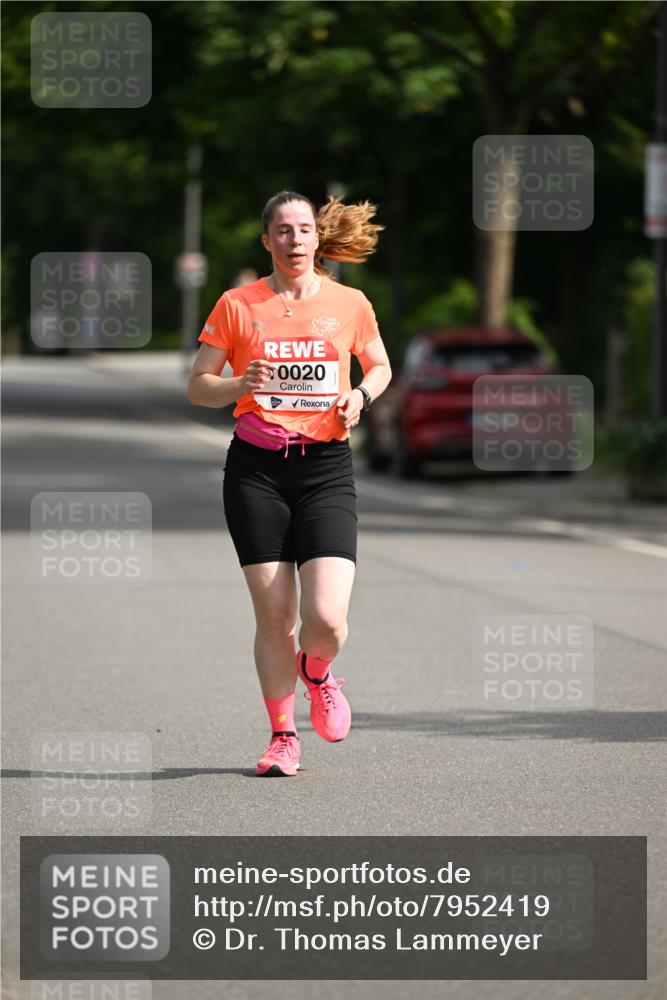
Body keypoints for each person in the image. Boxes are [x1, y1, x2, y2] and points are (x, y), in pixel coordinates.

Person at [187, 191, 392, 776]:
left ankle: (318, 672)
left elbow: (379, 364)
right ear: (267, 241)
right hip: (256, 469)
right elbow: (198, 385)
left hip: (325, 467)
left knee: (326, 620)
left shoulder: (349, 302)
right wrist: (238, 383)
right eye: (283, 230)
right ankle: (282, 735)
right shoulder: (237, 304)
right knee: (275, 617)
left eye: (304, 229)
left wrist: (360, 395)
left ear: (316, 239)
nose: (295, 239)